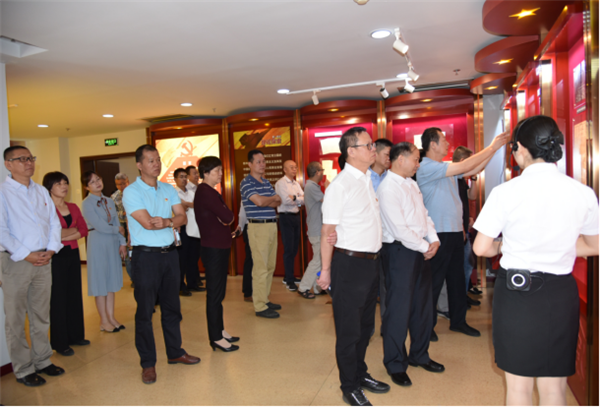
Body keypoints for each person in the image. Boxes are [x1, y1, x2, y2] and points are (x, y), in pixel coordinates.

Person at [472, 115, 599, 406]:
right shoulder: (583, 192)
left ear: (519, 148)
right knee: (555, 388)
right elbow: (594, 245)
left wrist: (505, 245)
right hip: (560, 294)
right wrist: (559, 247)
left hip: (518, 295)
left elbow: (481, 248)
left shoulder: (506, 192)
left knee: (519, 388)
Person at [318, 127, 390, 406]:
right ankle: (349, 386)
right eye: (368, 145)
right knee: (349, 331)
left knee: (365, 327)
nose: (374, 149)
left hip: (371, 263)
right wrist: (325, 271)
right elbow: (328, 231)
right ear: (351, 151)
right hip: (349, 265)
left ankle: (360, 373)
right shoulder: (341, 185)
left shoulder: (366, 180)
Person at [416, 127, 510, 340]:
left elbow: (473, 168)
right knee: (434, 282)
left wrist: (494, 151)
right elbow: (467, 165)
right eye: (443, 140)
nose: (447, 143)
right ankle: (426, 327)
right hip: (438, 234)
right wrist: (492, 146)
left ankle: (458, 321)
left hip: (454, 232)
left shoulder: (445, 167)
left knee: (457, 280)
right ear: (432, 144)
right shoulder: (426, 166)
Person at [123, 144, 200, 385]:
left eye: (157, 159)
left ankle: (175, 352)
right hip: (146, 257)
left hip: (170, 255)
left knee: (172, 307)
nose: (156, 164)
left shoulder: (168, 188)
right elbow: (147, 223)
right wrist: (171, 220)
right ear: (139, 165)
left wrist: (167, 221)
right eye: (150, 160)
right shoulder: (131, 191)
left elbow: (182, 218)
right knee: (145, 311)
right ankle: (148, 363)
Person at [377, 142, 444, 388]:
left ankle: (419, 355)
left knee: (422, 307)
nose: (418, 164)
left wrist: (433, 240)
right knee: (398, 310)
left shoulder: (412, 184)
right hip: (399, 252)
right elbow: (399, 229)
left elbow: (424, 216)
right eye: (416, 159)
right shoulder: (387, 188)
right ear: (400, 159)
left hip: (419, 250)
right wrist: (425, 246)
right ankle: (395, 363)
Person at [0, 146, 65, 387]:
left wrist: (51, 249)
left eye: (31, 158)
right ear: (8, 164)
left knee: (40, 314)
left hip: (44, 259)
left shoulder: (40, 191)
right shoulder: (3, 192)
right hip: (16, 262)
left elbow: (53, 222)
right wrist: (27, 255)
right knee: (16, 318)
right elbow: (1, 231)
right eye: (22, 159)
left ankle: (42, 360)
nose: (28, 162)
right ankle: (23, 368)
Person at [194, 156, 239, 352]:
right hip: (213, 249)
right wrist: (225, 217)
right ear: (205, 173)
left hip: (218, 246)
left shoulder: (210, 191)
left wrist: (225, 217)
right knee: (214, 294)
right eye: (217, 171)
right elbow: (228, 216)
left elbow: (226, 217)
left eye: (221, 170)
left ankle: (219, 330)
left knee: (219, 293)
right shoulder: (206, 192)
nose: (221, 174)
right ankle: (215, 338)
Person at [43, 171, 89, 356]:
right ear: (49, 188)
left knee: (74, 295)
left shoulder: (73, 207)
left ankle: (76, 336)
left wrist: (63, 235)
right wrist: (71, 232)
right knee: (58, 298)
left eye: (65, 183)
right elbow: (49, 234)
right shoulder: (45, 208)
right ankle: (60, 342)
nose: (64, 186)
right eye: (59, 184)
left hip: (72, 254)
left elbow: (83, 229)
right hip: (56, 256)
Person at [81, 171, 127, 333]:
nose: (97, 183)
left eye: (98, 179)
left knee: (111, 281)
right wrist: (117, 230)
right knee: (100, 282)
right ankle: (103, 320)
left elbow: (116, 221)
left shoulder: (109, 200)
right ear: (86, 187)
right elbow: (100, 225)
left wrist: (122, 242)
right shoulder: (87, 203)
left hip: (112, 241)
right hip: (98, 241)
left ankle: (111, 317)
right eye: (92, 182)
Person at [240, 149, 282, 318]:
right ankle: (259, 306)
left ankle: (265, 298)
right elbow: (258, 201)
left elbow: (278, 201)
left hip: (272, 226)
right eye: (258, 162)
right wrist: (270, 199)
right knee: (260, 267)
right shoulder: (246, 183)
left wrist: (267, 200)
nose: (262, 164)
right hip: (258, 227)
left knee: (270, 266)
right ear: (250, 164)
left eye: (264, 161)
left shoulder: (266, 182)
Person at [368, 138, 393, 329]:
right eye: (387, 155)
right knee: (368, 287)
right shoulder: (363, 178)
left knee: (387, 285)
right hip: (368, 240)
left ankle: (387, 326)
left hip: (389, 240)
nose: (389, 159)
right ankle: (366, 328)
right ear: (375, 154)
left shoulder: (392, 178)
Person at [297, 161, 328, 299]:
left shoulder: (311, 186)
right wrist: (328, 188)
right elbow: (327, 201)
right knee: (318, 260)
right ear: (317, 172)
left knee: (320, 259)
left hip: (317, 228)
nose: (323, 173)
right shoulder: (311, 186)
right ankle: (303, 287)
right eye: (322, 170)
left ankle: (317, 287)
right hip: (316, 229)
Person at [174, 167, 204, 296]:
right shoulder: (174, 193)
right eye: (181, 177)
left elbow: (198, 205)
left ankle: (193, 284)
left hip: (194, 229)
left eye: (185, 177)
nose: (184, 179)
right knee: (182, 259)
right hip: (181, 229)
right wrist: (187, 204)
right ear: (175, 179)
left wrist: (186, 203)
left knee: (193, 258)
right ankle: (181, 286)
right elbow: (181, 208)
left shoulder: (191, 192)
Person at [275, 160, 304, 292]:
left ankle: (289, 276)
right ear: (284, 169)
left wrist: (295, 198)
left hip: (296, 217)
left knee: (294, 248)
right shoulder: (281, 183)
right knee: (288, 249)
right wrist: (297, 199)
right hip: (286, 217)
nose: (294, 169)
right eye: (291, 167)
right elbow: (285, 200)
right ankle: (289, 280)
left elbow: (304, 199)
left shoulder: (296, 183)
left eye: (295, 167)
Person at [111, 173, 133, 287]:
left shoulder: (134, 192)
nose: (121, 186)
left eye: (123, 183)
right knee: (127, 254)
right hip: (122, 227)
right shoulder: (114, 197)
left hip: (135, 225)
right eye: (118, 184)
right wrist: (124, 213)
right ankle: (133, 278)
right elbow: (113, 214)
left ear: (128, 182)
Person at [234, 205, 253, 302]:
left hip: (260, 226)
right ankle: (248, 292)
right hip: (250, 226)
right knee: (250, 260)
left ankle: (256, 291)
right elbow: (242, 212)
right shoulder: (246, 195)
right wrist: (240, 226)